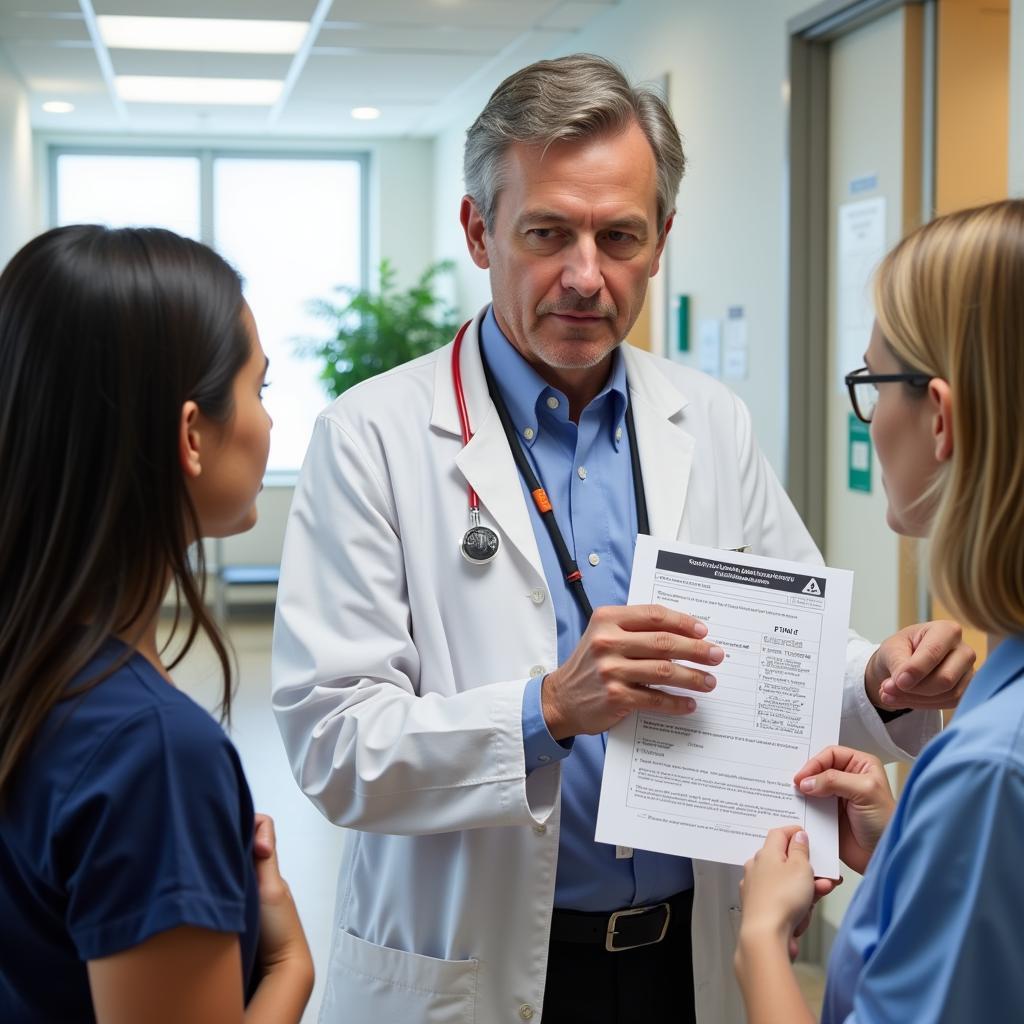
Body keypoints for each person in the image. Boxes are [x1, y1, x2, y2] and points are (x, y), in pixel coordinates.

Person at [272, 54, 973, 1023]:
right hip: (473, 970)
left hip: (678, 961)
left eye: (620, 236)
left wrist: (876, 683)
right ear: (479, 232)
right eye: (547, 233)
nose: (585, 276)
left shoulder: (708, 421)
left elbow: (793, 657)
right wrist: (547, 709)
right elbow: (333, 741)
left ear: (662, 240)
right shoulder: (372, 437)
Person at [0, 225, 313, 1023]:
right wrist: (286, 971)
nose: (268, 423)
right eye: (260, 391)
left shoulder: (36, 666)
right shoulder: (149, 749)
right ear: (191, 435)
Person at [736, 199, 1024, 1022]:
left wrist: (761, 938)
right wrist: (904, 846)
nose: (868, 421)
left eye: (872, 384)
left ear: (939, 415)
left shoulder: (991, 769)